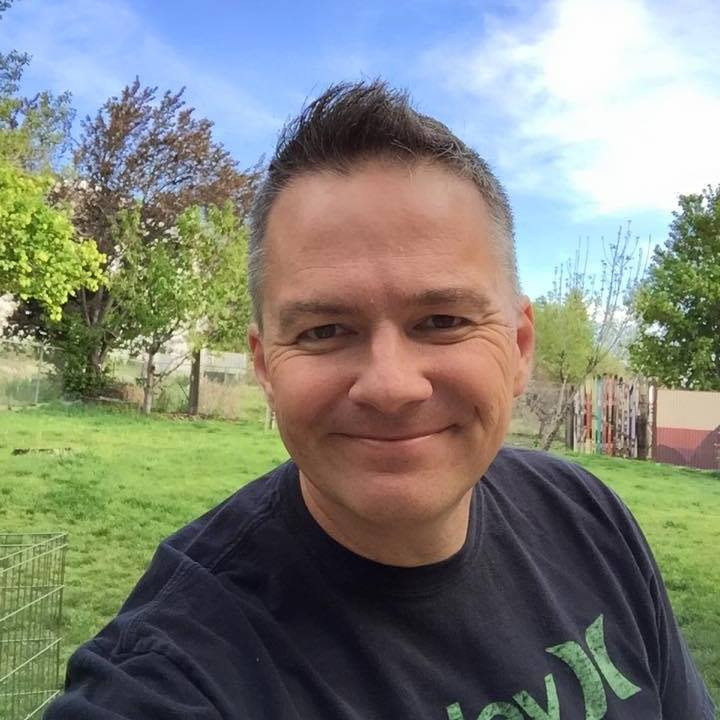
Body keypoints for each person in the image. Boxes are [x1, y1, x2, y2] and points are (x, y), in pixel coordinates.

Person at [46, 81, 715, 720]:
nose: (391, 387)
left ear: (518, 345)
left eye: (443, 321)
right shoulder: (171, 672)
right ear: (266, 366)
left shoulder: (589, 521)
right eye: (324, 331)